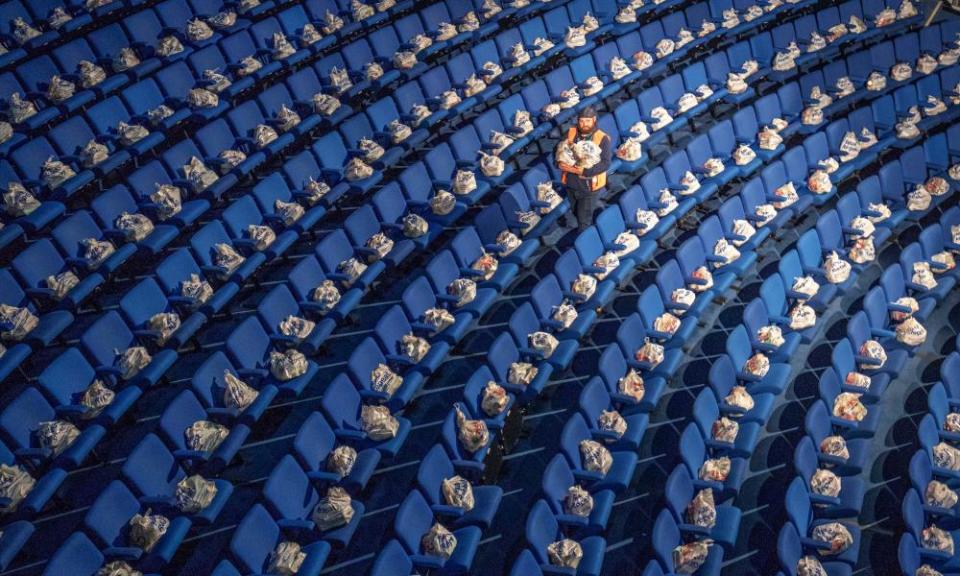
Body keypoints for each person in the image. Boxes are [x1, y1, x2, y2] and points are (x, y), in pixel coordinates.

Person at [557, 106, 613, 232]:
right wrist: (558, 162)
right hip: (571, 183)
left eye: (587, 121)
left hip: (589, 186)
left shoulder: (602, 138)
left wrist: (583, 171)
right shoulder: (570, 132)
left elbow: (605, 163)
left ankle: (585, 246)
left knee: (583, 221)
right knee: (577, 213)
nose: (584, 124)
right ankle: (595, 224)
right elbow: (557, 150)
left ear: (594, 120)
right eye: (581, 121)